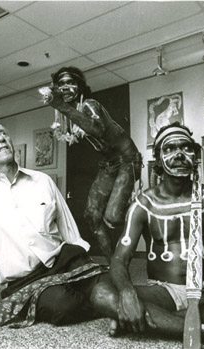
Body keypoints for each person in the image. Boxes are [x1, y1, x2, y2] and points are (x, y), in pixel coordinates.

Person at [90, 122, 204, 349]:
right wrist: (128, 293)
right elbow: (119, 259)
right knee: (101, 293)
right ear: (158, 159)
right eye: (169, 149)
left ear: (196, 155)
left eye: (186, 148)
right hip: (162, 292)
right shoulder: (143, 204)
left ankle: (151, 320)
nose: (179, 154)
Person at [0, 120, 109, 328]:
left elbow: (69, 231)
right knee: (63, 306)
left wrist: (85, 263)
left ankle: (112, 302)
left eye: (2, 132)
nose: (0, 138)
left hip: (64, 261)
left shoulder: (43, 180)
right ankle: (108, 307)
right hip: (24, 280)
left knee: (108, 285)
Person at [42, 66, 142, 261]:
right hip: (108, 164)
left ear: (80, 87)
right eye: (61, 84)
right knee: (92, 216)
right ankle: (114, 263)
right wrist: (64, 109)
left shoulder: (89, 104)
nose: (65, 87)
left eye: (71, 82)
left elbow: (97, 130)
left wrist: (62, 106)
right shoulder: (69, 115)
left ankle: (143, 211)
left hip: (127, 159)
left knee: (113, 217)